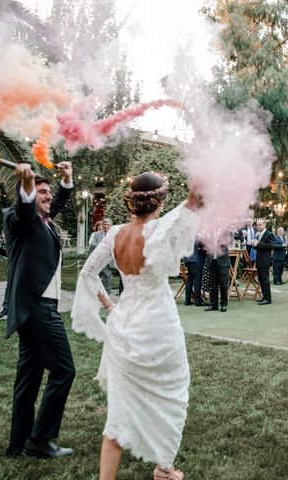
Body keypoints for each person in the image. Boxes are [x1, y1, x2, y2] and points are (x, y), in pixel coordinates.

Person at [71, 172, 201, 480]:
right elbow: (196, 203)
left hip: (124, 323)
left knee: (119, 411)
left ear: (132, 200)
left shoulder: (115, 233)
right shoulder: (162, 229)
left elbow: (87, 275)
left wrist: (110, 306)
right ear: (159, 201)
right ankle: (164, 468)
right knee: (171, 394)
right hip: (158, 324)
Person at [4, 162, 76, 458]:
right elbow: (24, 210)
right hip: (39, 309)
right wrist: (26, 187)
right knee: (64, 370)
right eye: (41, 192)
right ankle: (41, 440)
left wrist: (67, 181)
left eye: (47, 192)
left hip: (32, 310)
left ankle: (18, 444)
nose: (47, 196)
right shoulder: (19, 219)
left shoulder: (43, 220)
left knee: (29, 377)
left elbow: (54, 202)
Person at [205, 233, 230, 313]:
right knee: (212, 285)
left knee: (223, 284)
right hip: (212, 261)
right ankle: (213, 304)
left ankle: (224, 304)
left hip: (223, 262)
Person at [251, 218, 274, 305]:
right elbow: (259, 248)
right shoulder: (259, 234)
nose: (258, 226)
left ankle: (268, 299)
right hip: (259, 259)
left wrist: (258, 243)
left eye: (260, 224)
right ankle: (264, 297)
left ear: (264, 225)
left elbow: (270, 246)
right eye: (257, 225)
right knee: (260, 280)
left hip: (265, 260)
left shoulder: (269, 234)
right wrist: (254, 245)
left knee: (265, 280)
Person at [184, 237, 206, 306]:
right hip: (196, 259)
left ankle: (187, 300)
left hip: (188, 259)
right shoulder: (198, 234)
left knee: (190, 280)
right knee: (197, 281)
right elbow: (202, 248)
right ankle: (198, 301)